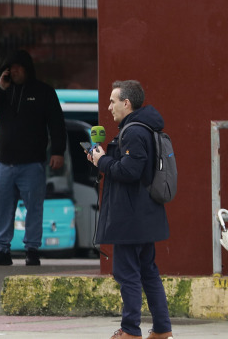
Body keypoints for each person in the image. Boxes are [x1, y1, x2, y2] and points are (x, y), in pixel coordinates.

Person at [89, 80, 173, 339]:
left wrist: (101, 160)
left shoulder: (135, 132)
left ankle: (130, 330)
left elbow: (129, 171)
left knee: (127, 274)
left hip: (131, 218)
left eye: (113, 101)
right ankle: (161, 329)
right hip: (144, 215)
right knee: (148, 272)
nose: (109, 106)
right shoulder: (144, 127)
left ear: (127, 103)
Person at [0, 49, 66, 266]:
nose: (14, 71)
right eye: (10, 68)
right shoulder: (3, 92)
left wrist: (58, 152)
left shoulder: (44, 92)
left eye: (18, 67)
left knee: (34, 208)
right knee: (3, 208)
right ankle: (1, 250)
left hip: (32, 163)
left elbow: (56, 124)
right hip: (5, 163)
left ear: (27, 68)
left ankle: (32, 250)